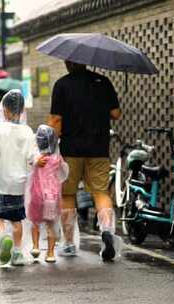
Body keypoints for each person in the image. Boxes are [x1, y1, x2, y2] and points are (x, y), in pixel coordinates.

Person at [48, 60, 122, 261]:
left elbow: (55, 120)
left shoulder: (62, 85)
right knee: (101, 192)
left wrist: (50, 147)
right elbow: (116, 113)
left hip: (70, 149)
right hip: (99, 148)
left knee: (68, 194)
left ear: (68, 63)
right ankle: (107, 231)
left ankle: (70, 244)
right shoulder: (103, 82)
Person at [0, 89, 37, 266]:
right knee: (17, 219)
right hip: (18, 184)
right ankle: (18, 253)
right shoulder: (27, 132)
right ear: (21, 110)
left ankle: (3, 236)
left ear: (6, 110)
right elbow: (32, 157)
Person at [26, 125, 68, 263]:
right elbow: (64, 173)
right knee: (51, 225)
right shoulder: (57, 159)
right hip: (52, 197)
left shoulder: (37, 158)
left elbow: (28, 167)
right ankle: (50, 254)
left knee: (35, 222)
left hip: (37, 195)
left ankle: (36, 247)